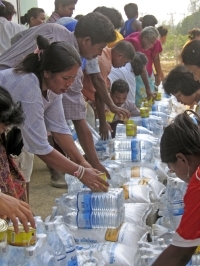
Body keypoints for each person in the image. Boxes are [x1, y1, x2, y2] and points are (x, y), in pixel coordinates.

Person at [0, 12, 118, 187]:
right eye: (66, 78)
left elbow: (60, 128)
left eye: (73, 78)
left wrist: (83, 163)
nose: (70, 84)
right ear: (46, 72)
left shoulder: (54, 86)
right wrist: (80, 172)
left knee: (15, 183)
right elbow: (40, 147)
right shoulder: (29, 87)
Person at [152, 110, 200, 265]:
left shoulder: (198, 184)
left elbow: (179, 253)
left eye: (172, 169)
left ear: (182, 159)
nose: (174, 174)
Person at [82, 40, 135, 139]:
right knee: (87, 135)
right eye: (125, 62)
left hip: (87, 98)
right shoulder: (104, 62)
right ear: (120, 56)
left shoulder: (106, 54)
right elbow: (99, 93)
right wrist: (103, 123)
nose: (123, 66)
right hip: (82, 98)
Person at [125, 26, 160, 107]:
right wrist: (148, 89)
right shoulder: (135, 43)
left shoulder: (139, 36)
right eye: (151, 42)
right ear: (145, 38)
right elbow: (141, 67)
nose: (151, 46)